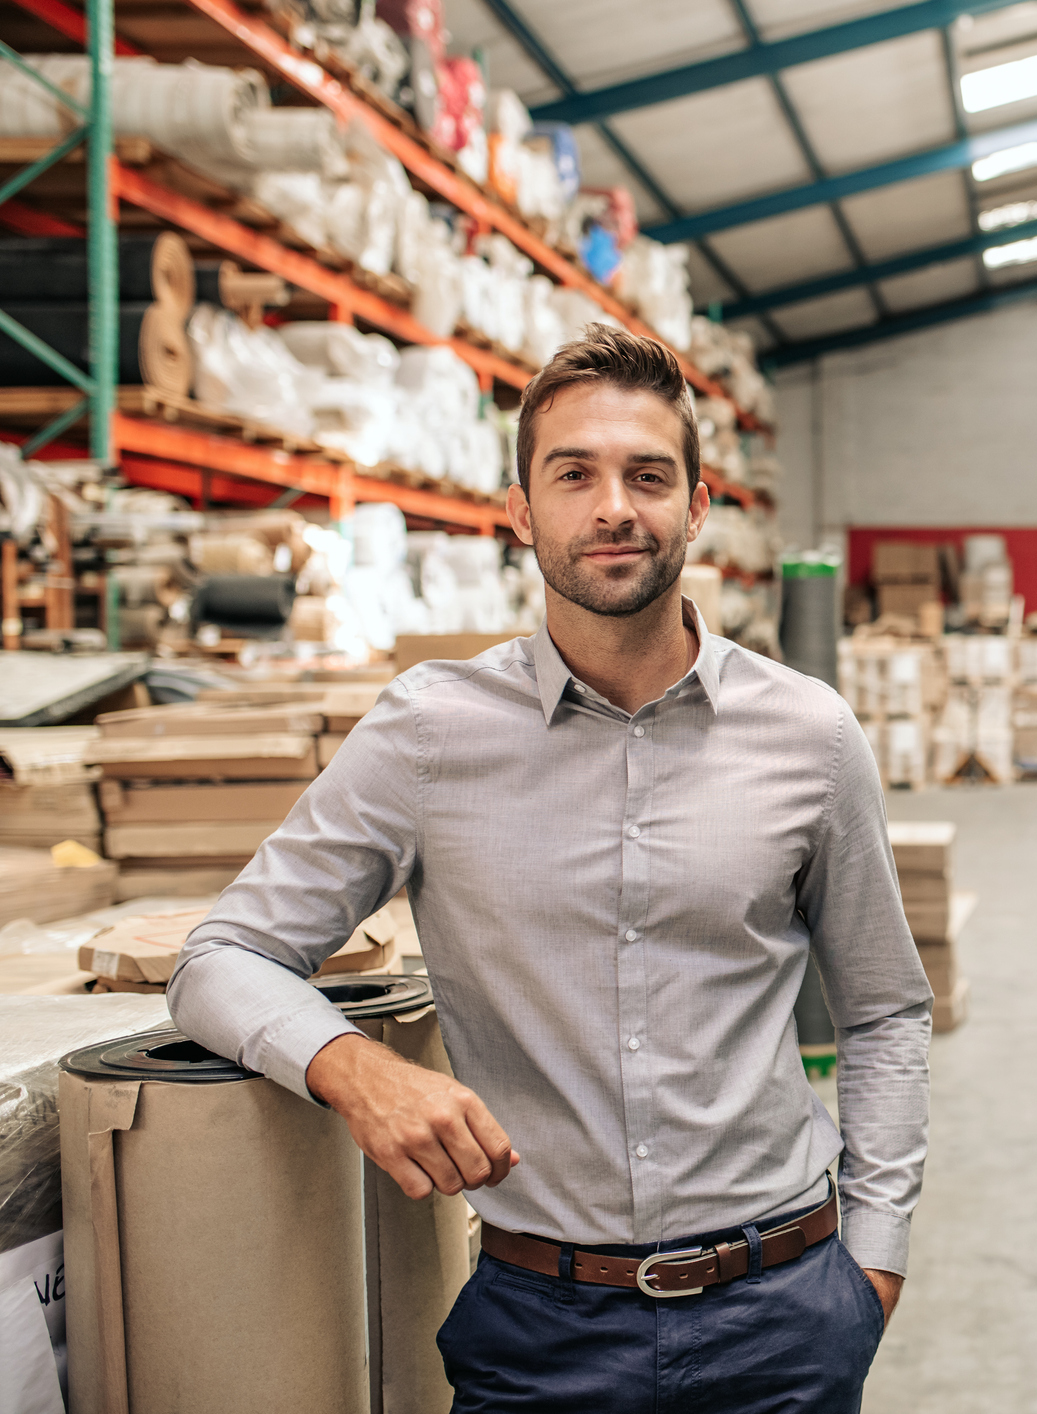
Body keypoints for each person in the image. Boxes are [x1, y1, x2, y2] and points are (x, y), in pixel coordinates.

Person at [169, 325, 932, 1412]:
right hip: (542, 1326)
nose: (613, 506)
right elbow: (220, 957)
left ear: (696, 506)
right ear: (521, 512)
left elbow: (886, 1010)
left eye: (647, 475)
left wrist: (874, 1265)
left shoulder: (809, 734)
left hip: (784, 1309)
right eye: (574, 473)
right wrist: (352, 1066)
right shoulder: (431, 733)